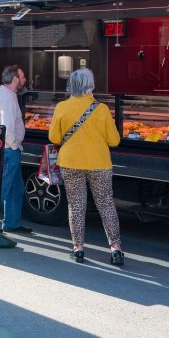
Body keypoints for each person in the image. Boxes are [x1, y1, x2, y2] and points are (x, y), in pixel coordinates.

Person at [48, 68, 124, 265]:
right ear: (91, 85)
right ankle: (116, 249)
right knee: (106, 203)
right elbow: (114, 140)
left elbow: (54, 137)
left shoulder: (62, 107)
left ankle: (78, 248)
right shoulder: (101, 109)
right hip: (99, 163)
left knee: (76, 205)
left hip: (70, 162)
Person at [0, 64, 32, 233]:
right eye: (22, 77)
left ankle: (12, 223)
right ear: (15, 79)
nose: (25, 80)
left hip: (7, 148)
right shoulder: (7, 98)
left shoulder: (7, 95)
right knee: (2, 187)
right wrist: (14, 145)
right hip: (8, 150)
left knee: (16, 189)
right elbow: (7, 127)